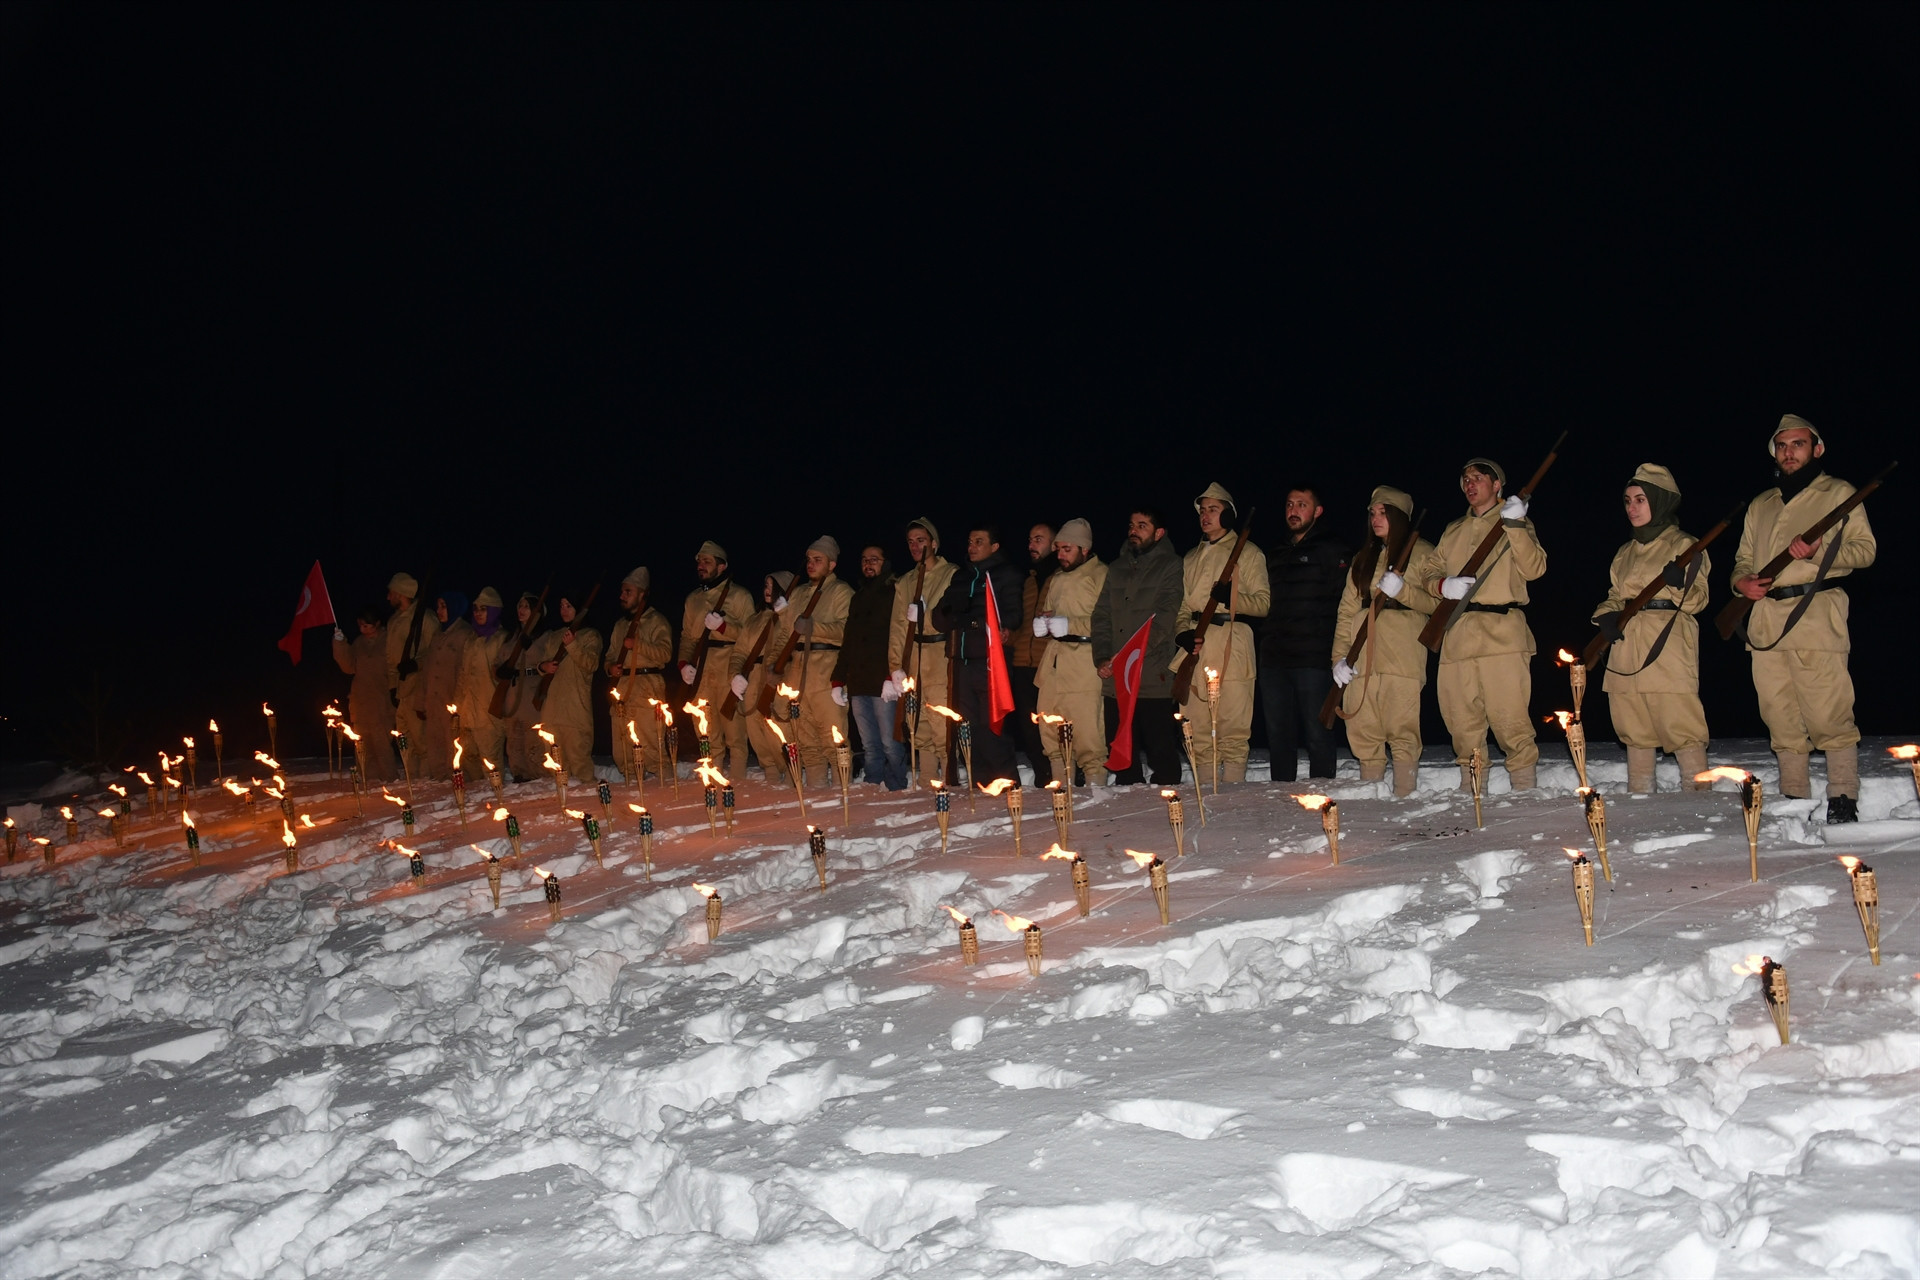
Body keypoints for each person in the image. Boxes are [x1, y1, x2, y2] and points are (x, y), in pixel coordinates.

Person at [1730, 415, 1878, 822]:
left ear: (1817, 448)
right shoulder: (1762, 503)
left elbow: (1864, 552)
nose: (1789, 452)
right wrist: (1741, 583)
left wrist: (1818, 553)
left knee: (1829, 712)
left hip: (1815, 617)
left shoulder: (1839, 493)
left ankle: (1843, 797)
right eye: (1782, 446)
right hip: (1765, 623)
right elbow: (1743, 558)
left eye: (1797, 444)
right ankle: (1794, 796)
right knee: (1779, 715)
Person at [1417, 457, 1548, 792]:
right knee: (1461, 722)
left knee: (1511, 721)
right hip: (1458, 636)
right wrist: (1442, 586)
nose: (1470, 485)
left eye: (1478, 478)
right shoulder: (1453, 530)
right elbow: (1429, 571)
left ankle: (1523, 791)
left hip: (1502, 634)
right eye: (1466, 479)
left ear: (1497, 485)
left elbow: (1535, 569)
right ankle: (1471, 791)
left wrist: (1516, 526)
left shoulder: (1516, 522)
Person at [1591, 465, 1712, 795]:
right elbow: (1615, 595)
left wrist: (1678, 585)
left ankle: (1699, 800)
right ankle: (1640, 800)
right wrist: (1606, 617)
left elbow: (1698, 599)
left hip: (1668, 643)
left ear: (1660, 501)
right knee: (1633, 725)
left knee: (1681, 723)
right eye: (1628, 500)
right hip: (1627, 644)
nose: (1632, 508)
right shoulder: (1624, 552)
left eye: (1641, 500)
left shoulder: (1685, 544)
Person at [1330, 487, 1435, 796]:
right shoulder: (1363, 557)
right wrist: (1339, 659)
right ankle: (1370, 806)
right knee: (1363, 733)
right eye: (1372, 513)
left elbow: (1437, 604)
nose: (1376, 519)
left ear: (1399, 517)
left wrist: (1403, 592)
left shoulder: (1424, 552)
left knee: (1403, 735)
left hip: (1402, 659)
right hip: (1361, 661)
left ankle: (1404, 801)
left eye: (1384, 512)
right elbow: (1346, 611)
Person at [1173, 483, 1270, 785]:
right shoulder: (1189, 557)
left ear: (1228, 514)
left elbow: (1264, 604)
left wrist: (1233, 597)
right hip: (1197, 648)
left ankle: (1233, 797)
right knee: (1197, 727)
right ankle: (1205, 796)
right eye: (1202, 510)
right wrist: (1182, 635)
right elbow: (1181, 608)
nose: (1205, 515)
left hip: (1233, 645)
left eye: (1213, 509)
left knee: (1233, 730)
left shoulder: (1249, 553)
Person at [1259, 484, 1350, 781]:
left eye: (1301, 505)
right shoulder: (1274, 552)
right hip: (1274, 658)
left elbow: (1343, 602)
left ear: (1317, 511)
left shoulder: (1332, 548)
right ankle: (1280, 795)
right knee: (1278, 735)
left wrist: (1337, 652)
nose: (1293, 511)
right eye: (1289, 504)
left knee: (1317, 732)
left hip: (1313, 657)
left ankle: (1322, 795)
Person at [1093, 506, 1185, 786]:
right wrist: (1102, 656)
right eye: (1131, 525)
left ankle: (1167, 805)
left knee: (1161, 751)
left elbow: (1166, 615)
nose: (1134, 530)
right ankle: (1126, 811)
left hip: (1151, 674)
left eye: (1142, 525)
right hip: (1117, 677)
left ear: (1158, 533)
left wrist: (1135, 652)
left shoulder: (1171, 565)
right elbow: (1101, 616)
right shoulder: (1116, 568)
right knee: (1121, 749)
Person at [931, 524, 1026, 783]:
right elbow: (940, 617)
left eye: (979, 542)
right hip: (961, 661)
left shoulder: (1007, 574)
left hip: (990, 659)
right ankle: (980, 782)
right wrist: (952, 613)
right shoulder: (962, 577)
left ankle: (1006, 783)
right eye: (970, 541)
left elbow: (1013, 614)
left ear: (994, 547)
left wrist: (977, 619)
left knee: (992, 726)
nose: (971, 547)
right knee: (968, 726)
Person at [769, 536, 854, 785]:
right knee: (805, 739)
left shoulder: (841, 592)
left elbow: (845, 630)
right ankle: (816, 789)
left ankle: (844, 792)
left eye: (818, 560)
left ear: (832, 564)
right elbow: (786, 634)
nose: (811, 564)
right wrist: (774, 665)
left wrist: (814, 628)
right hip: (797, 672)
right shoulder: (797, 594)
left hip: (825, 670)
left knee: (833, 736)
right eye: (809, 559)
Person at [1032, 519, 1108, 785]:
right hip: (1054, 662)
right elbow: (1052, 611)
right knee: (1050, 730)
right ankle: (1060, 791)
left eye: (1067, 549)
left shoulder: (1101, 575)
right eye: (1059, 549)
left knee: (1088, 735)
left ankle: (1096, 793)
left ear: (1084, 549)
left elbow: (1108, 621)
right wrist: (1045, 622)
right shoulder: (1057, 578)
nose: (1060, 555)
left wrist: (1070, 624)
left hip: (1084, 664)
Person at [887, 517, 958, 784]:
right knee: (918, 725)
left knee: (941, 721)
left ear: (934, 544)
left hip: (938, 656)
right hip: (913, 659)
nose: (915, 546)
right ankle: (928, 781)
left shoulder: (951, 574)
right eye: (911, 541)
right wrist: (895, 666)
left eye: (921, 540)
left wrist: (926, 616)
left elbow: (951, 615)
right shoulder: (905, 581)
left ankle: (949, 781)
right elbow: (897, 627)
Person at [677, 542, 755, 776]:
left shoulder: (741, 596)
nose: (701, 566)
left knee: (735, 733)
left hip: (729, 667)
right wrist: (683, 663)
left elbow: (752, 634)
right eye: (699, 561)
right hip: (702, 670)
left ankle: (739, 783)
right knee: (706, 730)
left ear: (722, 566)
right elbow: (687, 637)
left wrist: (723, 627)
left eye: (707, 561)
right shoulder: (693, 599)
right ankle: (712, 778)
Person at [842, 544, 906, 789]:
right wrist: (840, 678)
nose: (868, 563)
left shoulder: (894, 592)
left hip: (883, 679)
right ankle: (872, 782)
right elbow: (848, 639)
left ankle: (897, 783)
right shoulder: (857, 597)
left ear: (885, 562)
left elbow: (898, 635)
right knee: (869, 742)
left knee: (890, 740)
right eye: (864, 559)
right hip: (858, 680)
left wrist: (893, 673)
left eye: (874, 559)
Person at [605, 567, 673, 782]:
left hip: (647, 688)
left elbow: (665, 654)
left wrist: (638, 645)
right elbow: (609, 657)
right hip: (623, 689)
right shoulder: (619, 626)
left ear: (642, 594)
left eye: (628, 592)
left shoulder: (657, 621)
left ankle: (665, 789)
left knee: (652, 744)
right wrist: (610, 668)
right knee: (623, 746)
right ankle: (631, 786)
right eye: (622, 592)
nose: (622, 596)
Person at [733, 571, 796, 781]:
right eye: (765, 585)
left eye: (772, 586)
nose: (767, 590)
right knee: (754, 726)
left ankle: (789, 769)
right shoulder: (753, 620)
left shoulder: (791, 617)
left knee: (778, 726)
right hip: (753, 679)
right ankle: (769, 768)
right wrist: (735, 675)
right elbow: (740, 652)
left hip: (778, 677)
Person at [1008, 521, 1058, 788]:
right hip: (1023, 664)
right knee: (1027, 727)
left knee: (1050, 725)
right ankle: (1042, 776)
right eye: (1030, 539)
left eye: (1038, 539)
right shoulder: (1029, 581)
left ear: (1054, 544)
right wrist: (1010, 638)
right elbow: (1027, 624)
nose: (1031, 545)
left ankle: (1062, 774)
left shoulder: (1060, 577)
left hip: (1048, 664)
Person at [537, 589, 602, 784]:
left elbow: (591, 664)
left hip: (576, 710)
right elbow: (541, 663)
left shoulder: (591, 635)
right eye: (561, 606)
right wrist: (544, 667)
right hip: (552, 710)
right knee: (555, 763)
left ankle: (588, 806)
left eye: (569, 606)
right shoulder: (554, 636)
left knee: (579, 761)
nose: (564, 610)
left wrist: (573, 645)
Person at [332, 605, 396, 780]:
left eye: (367, 625)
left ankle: (389, 779)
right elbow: (348, 666)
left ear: (377, 623)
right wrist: (340, 644)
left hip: (382, 701)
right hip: (361, 702)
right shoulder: (359, 643)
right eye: (360, 625)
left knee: (381, 744)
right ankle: (367, 782)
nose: (363, 629)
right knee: (363, 745)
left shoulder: (389, 640)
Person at [386, 572, 439, 779]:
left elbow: (435, 651)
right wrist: (392, 685)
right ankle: (412, 778)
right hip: (401, 689)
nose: (388, 597)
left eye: (391, 592)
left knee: (422, 740)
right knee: (404, 738)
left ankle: (426, 781)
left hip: (419, 687)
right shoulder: (394, 621)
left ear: (401, 593)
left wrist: (416, 664)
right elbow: (391, 659)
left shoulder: (426, 619)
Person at [454, 588, 510, 771]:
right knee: (469, 763)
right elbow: (463, 675)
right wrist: (458, 707)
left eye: (484, 609)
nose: (478, 613)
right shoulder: (471, 639)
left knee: (491, 764)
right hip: (468, 713)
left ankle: (496, 798)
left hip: (489, 714)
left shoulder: (502, 639)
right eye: (476, 609)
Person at [418, 590, 471, 780]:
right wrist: (421, 700)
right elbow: (428, 671)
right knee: (435, 743)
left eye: (444, 606)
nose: (439, 611)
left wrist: (458, 703)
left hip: (453, 703)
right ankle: (438, 780)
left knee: (454, 745)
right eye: (438, 606)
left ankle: (456, 781)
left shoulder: (464, 634)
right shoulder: (437, 636)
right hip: (434, 702)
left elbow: (464, 672)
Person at [501, 591, 552, 782]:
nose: (521, 610)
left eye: (527, 607)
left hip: (532, 694)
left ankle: (540, 778)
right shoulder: (511, 638)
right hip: (513, 696)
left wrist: (529, 646)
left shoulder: (546, 636)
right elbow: (499, 661)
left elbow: (546, 661)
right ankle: (519, 775)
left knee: (534, 741)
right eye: (519, 606)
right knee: (514, 741)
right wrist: (499, 671)